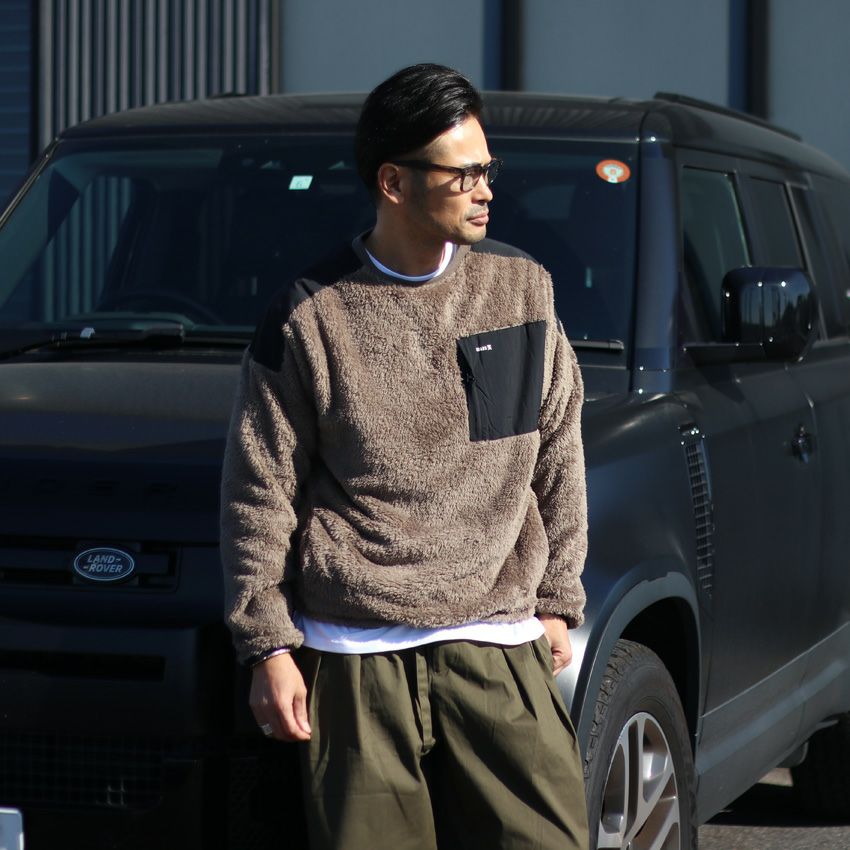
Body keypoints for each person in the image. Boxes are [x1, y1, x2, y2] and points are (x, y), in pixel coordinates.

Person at [220, 62, 589, 850]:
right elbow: (259, 491)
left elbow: (559, 449)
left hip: (497, 640)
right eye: (463, 175)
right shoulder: (308, 315)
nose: (485, 190)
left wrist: (558, 597)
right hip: (356, 658)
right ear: (393, 182)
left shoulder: (522, 289)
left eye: (488, 169)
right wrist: (268, 647)